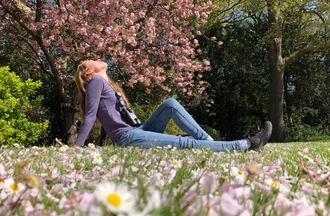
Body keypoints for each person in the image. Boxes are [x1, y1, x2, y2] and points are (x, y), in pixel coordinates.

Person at [73, 59, 273, 151]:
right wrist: (77, 146)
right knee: (185, 143)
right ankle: (247, 144)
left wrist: (104, 142)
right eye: (93, 60)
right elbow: (90, 115)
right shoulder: (95, 82)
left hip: (135, 131)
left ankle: (211, 144)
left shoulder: (105, 84)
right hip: (128, 137)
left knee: (170, 104)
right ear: (89, 72)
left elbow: (110, 119)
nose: (99, 59)